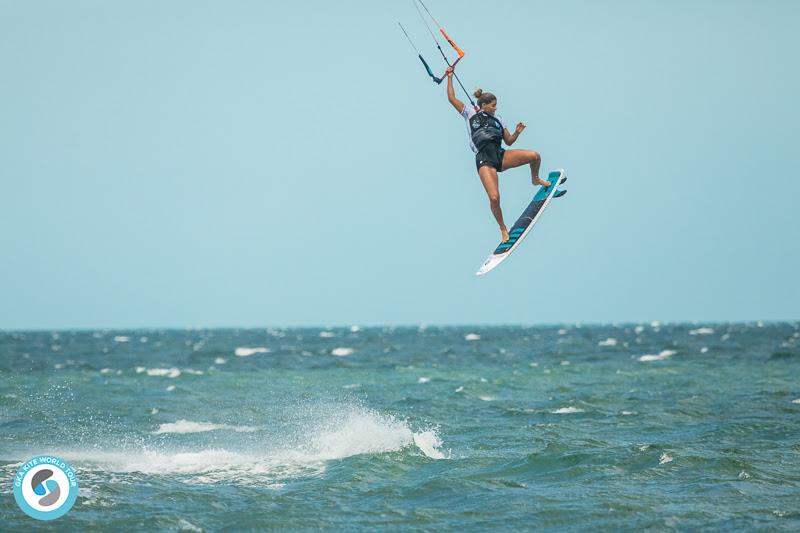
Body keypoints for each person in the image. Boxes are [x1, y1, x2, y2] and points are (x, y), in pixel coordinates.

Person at [445, 67, 550, 243]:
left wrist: (517, 132)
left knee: (535, 156)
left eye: (496, 105)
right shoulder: (470, 113)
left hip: (500, 154)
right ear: (483, 105)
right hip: (484, 159)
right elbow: (451, 98)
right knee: (494, 197)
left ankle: (535, 179)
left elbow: (508, 141)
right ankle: (503, 229)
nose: (496, 108)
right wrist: (449, 77)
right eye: (493, 105)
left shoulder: (499, 118)